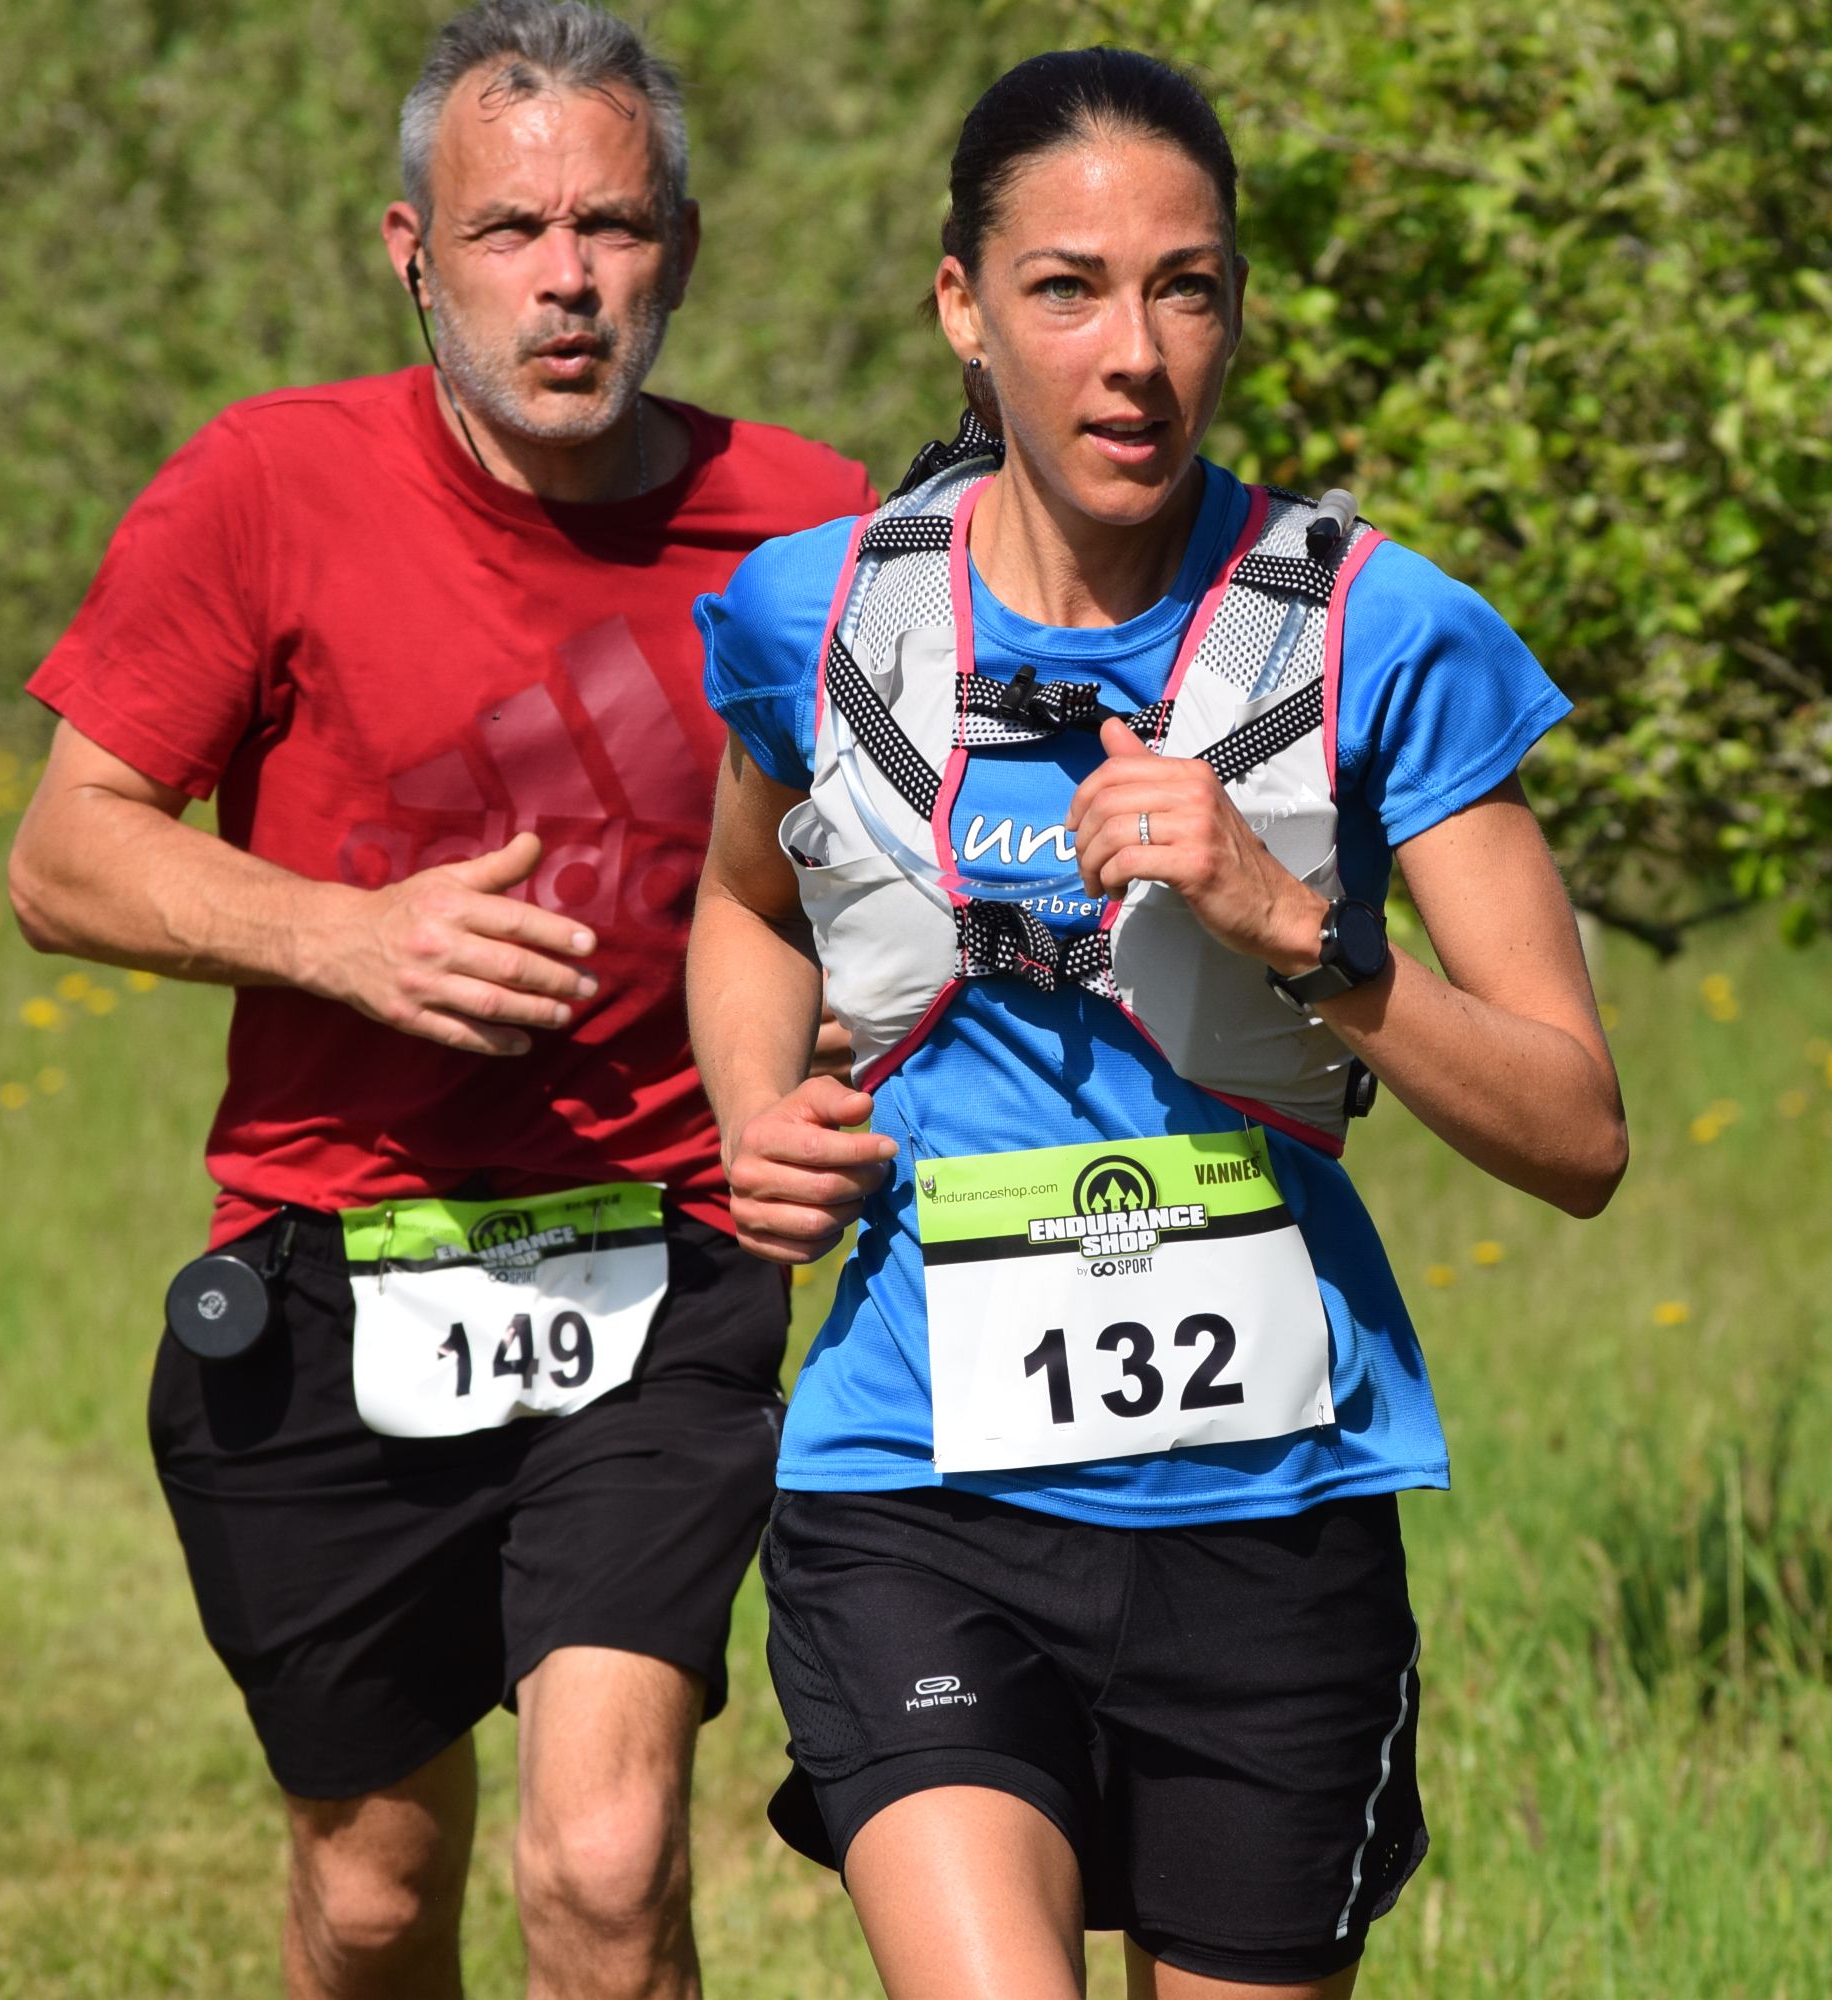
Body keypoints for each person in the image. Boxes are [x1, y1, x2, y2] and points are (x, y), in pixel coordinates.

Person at [685, 46, 1628, 2000]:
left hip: (1270, 1515)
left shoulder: (1379, 632)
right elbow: (745, 902)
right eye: (1069, 289)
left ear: (1236, 308)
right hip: (914, 1484)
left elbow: (1576, 1134)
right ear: (963, 307)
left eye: (1184, 289)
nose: (1134, 354)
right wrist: (754, 1110)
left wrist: (1296, 927)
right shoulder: (816, 620)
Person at [4, 5, 876, 1995]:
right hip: (333, 1268)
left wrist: (837, 1036)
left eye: (614, 227)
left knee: (606, 1866)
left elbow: (882, 874)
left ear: (680, 248)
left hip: (663, 1256)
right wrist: (349, 938)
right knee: (376, 1896)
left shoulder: (812, 527)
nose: (567, 281)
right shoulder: (268, 485)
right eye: (510, 230)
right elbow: (64, 855)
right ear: (413, 251)